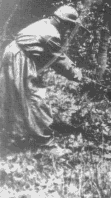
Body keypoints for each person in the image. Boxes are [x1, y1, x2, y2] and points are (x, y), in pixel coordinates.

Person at [0, 5, 86, 149]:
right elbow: (58, 60)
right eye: (69, 25)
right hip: (20, 58)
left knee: (14, 96)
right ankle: (44, 141)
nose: (68, 29)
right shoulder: (51, 34)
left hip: (13, 54)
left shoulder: (45, 23)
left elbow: (49, 55)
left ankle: (14, 134)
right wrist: (75, 73)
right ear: (62, 22)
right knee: (34, 97)